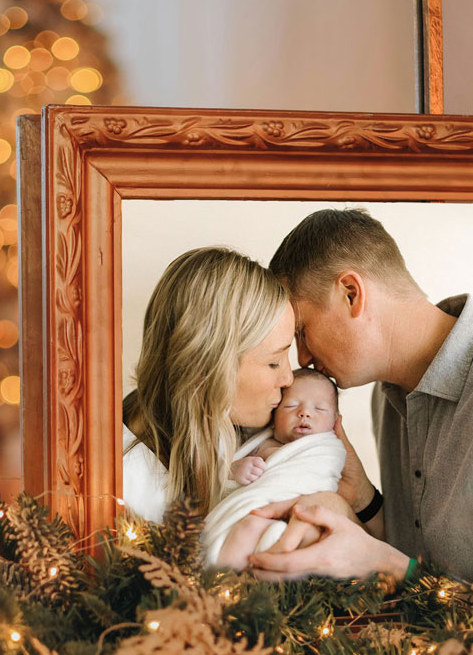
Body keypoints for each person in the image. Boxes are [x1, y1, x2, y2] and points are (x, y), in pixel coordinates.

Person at [252, 206, 472, 583]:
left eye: (301, 332)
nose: (301, 359)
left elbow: (406, 570)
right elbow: (426, 560)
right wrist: (363, 500)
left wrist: (389, 568)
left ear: (351, 293)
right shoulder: (383, 399)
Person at [122, 246, 353, 547]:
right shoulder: (126, 482)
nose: (287, 379)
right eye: (273, 362)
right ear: (206, 367)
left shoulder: (242, 434)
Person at [205, 369, 346, 570]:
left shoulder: (326, 452)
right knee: (248, 528)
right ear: (273, 417)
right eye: (291, 405)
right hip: (251, 514)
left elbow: (325, 485)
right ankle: (217, 584)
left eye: (319, 408)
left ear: (335, 421)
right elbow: (220, 476)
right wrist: (235, 470)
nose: (305, 413)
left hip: (299, 522)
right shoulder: (260, 446)